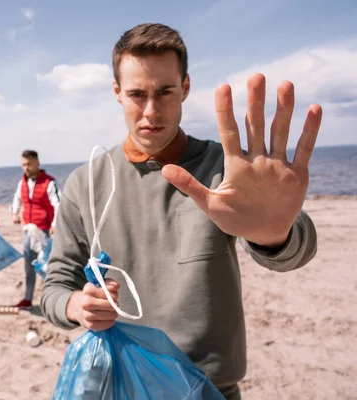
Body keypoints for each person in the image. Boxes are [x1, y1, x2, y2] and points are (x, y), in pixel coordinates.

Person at [40, 23, 322, 400]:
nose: (151, 111)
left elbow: (295, 249)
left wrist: (276, 236)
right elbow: (54, 286)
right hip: (117, 383)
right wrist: (76, 304)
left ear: (186, 87)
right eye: (137, 94)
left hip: (207, 386)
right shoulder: (85, 183)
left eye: (165, 92)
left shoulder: (225, 168)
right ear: (117, 93)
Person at [10, 150, 61, 308]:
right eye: (24, 164)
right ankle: (27, 298)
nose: (26, 167)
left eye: (29, 164)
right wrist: (15, 213)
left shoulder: (50, 183)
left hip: (45, 231)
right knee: (29, 266)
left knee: (46, 267)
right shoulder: (22, 182)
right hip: (28, 230)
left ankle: (53, 300)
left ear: (37, 163)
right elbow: (17, 198)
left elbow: (59, 205)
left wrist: (54, 224)